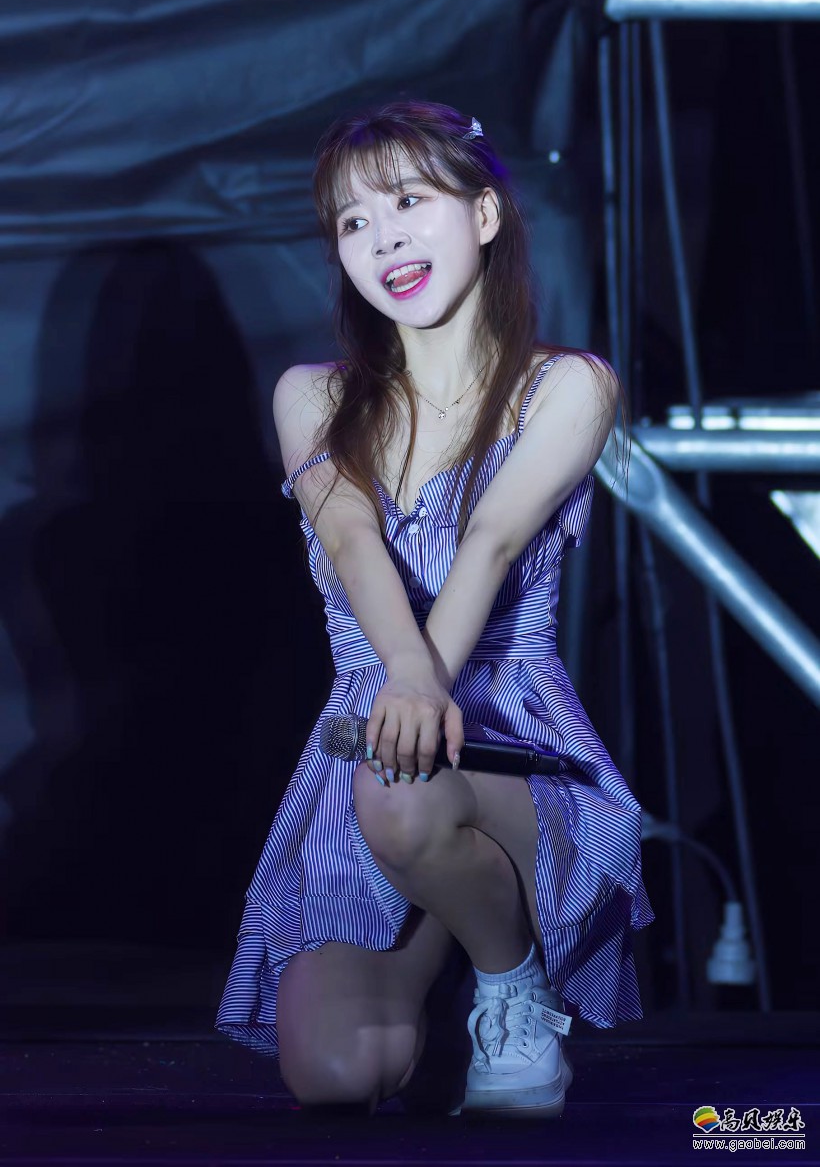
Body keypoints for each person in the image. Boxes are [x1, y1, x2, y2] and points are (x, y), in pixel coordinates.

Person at [215, 100, 653, 1118]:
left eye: (409, 202)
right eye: (353, 221)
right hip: (372, 729)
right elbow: (352, 541)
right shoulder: (312, 398)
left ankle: (510, 982)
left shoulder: (566, 386)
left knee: (403, 788)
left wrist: (423, 683)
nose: (383, 240)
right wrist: (406, 679)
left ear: (485, 215)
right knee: (339, 1075)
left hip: (510, 741)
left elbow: (491, 538)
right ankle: (456, 955)